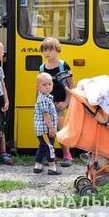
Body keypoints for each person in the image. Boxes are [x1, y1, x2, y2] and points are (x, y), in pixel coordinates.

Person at [39, 37, 75, 167]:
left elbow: (71, 86)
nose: (47, 53)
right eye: (45, 50)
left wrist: (66, 102)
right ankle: (48, 155)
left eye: (50, 50)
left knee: (60, 129)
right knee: (46, 129)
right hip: (46, 103)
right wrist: (37, 104)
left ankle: (67, 155)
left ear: (57, 50)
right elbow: (39, 87)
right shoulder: (42, 68)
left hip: (59, 102)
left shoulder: (63, 65)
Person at [34, 73, 61, 175]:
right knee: (50, 147)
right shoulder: (44, 99)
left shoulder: (45, 97)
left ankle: (38, 164)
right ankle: (52, 167)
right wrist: (51, 128)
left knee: (42, 146)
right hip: (45, 129)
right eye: (44, 85)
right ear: (38, 86)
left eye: (49, 84)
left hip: (42, 130)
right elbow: (46, 115)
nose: (48, 87)